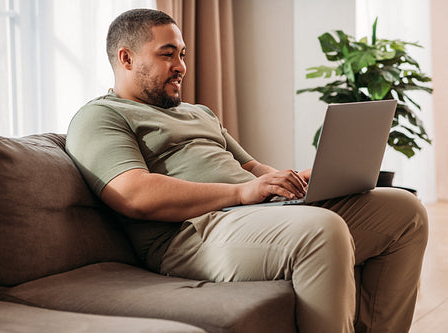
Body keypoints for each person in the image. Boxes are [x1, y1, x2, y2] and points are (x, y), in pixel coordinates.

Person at [65, 8, 428, 333]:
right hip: (190, 234)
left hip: (255, 214)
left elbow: (251, 168)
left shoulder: (198, 112)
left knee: (404, 211)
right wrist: (242, 193)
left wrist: (296, 183)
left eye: (183, 54)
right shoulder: (101, 116)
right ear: (125, 58)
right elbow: (134, 194)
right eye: (167, 54)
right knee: (322, 229)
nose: (181, 66)